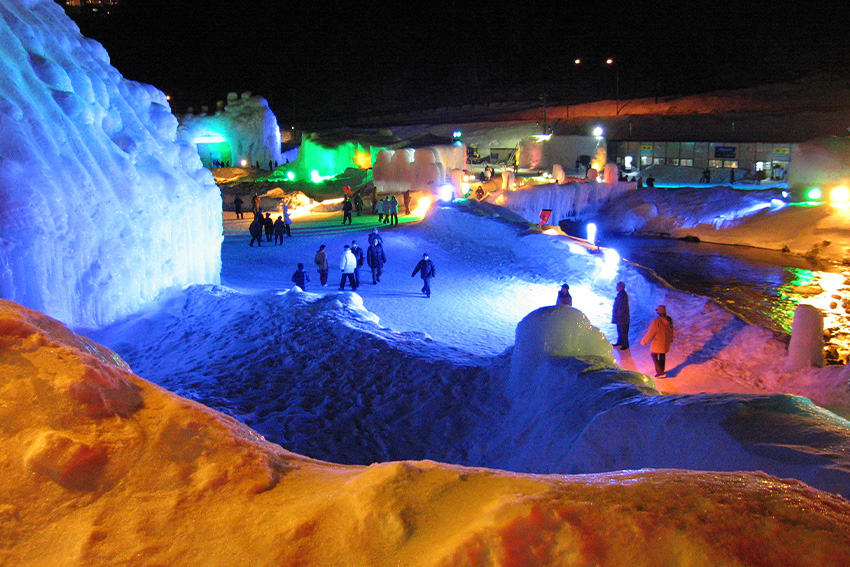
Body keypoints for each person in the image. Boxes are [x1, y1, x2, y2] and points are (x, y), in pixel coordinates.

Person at [641, 305, 675, 377]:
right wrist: (671, 338)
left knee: (654, 355)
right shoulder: (669, 320)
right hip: (666, 341)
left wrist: (644, 341)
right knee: (662, 354)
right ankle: (662, 369)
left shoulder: (657, 322)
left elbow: (651, 333)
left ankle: (659, 370)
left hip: (658, 341)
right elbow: (671, 330)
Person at [611, 281, 630, 350]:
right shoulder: (621, 294)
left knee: (624, 331)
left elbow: (622, 307)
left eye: (617, 286)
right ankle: (620, 342)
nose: (616, 287)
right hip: (620, 317)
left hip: (623, 318)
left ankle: (625, 344)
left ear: (620, 287)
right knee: (620, 330)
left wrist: (619, 315)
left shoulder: (623, 295)